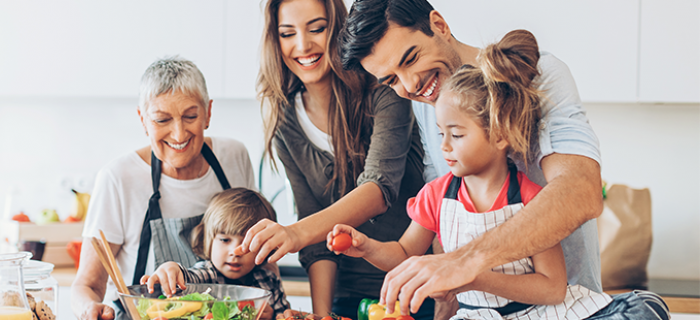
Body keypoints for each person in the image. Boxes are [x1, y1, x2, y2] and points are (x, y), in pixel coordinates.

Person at [338, 1, 670, 318]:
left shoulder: (541, 75)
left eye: (410, 59)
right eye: (392, 80)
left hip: (565, 309)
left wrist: (466, 263)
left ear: (438, 25)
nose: (410, 85)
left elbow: (581, 191)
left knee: (642, 308)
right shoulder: (429, 104)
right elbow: (442, 221)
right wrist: (448, 297)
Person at [240, 0, 432, 318]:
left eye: (317, 28)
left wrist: (295, 233)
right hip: (345, 295)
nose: (303, 45)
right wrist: (322, 315)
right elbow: (316, 242)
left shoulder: (385, 88)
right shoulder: (285, 122)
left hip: (413, 287)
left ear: (339, 29)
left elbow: (378, 190)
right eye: (287, 33)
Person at [71, 57, 257, 320]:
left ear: (208, 113)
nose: (179, 134)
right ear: (142, 119)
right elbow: (86, 285)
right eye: (161, 120)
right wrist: (89, 308)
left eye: (190, 116)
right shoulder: (118, 178)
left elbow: (261, 251)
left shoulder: (234, 157)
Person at [140, 188, 291, 320]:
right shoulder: (207, 274)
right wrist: (171, 269)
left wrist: (272, 316)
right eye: (225, 240)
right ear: (208, 241)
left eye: (247, 243)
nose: (235, 252)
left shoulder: (269, 281)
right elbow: (186, 279)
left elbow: (286, 315)